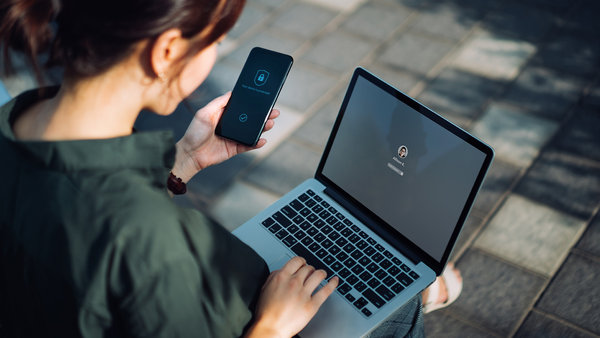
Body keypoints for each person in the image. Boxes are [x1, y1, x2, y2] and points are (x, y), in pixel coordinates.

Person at [0, 0, 460, 337]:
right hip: (260, 318)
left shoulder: (15, 120)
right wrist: (272, 328)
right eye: (215, 41)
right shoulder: (147, 240)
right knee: (396, 316)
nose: (216, 55)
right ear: (165, 52)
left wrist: (185, 161)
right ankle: (414, 301)